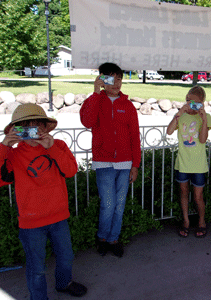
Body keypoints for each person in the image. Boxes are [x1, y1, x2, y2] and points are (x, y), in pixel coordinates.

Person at [0, 103, 87, 300]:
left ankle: (64, 283)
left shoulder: (58, 146)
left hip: (59, 217)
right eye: (26, 128)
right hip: (31, 223)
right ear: (17, 131)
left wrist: (51, 149)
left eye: (37, 127)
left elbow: (71, 171)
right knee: (37, 268)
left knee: (66, 257)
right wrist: (4, 146)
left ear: (44, 128)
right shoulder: (13, 155)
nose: (32, 134)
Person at [80, 62, 141, 257]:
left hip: (125, 164)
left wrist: (135, 165)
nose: (116, 83)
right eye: (111, 79)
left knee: (119, 204)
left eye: (119, 79)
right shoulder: (96, 100)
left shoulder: (128, 106)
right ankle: (102, 238)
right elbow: (87, 121)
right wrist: (96, 92)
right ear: (102, 80)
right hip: (103, 162)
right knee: (108, 204)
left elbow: (135, 137)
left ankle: (114, 239)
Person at [166, 85, 211, 238]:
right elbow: (169, 131)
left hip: (198, 165)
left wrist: (203, 119)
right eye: (187, 101)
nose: (190, 104)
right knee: (184, 193)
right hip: (183, 163)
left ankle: (201, 221)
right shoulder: (181, 115)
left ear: (202, 103)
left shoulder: (205, 117)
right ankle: (186, 221)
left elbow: (203, 139)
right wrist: (178, 113)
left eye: (194, 102)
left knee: (198, 197)